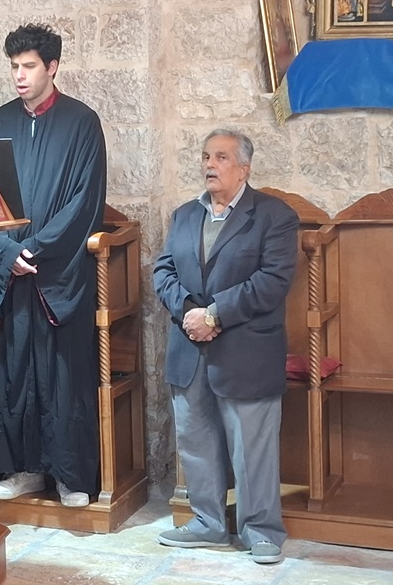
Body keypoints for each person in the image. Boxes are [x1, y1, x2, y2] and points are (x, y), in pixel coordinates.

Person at [153, 129, 299, 566]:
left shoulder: (274, 216)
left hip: (246, 353)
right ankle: (207, 523)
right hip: (189, 350)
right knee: (196, 442)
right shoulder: (184, 215)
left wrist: (215, 315)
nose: (209, 165)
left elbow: (272, 280)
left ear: (244, 168)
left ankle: (261, 531)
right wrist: (190, 314)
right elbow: (163, 271)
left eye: (220, 157)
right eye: (205, 157)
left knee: (251, 450)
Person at [0, 24, 107, 508]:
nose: (19, 75)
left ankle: (70, 477)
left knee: (62, 376)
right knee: (13, 375)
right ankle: (23, 471)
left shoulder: (81, 122)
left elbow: (83, 202)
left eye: (28, 66)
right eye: (14, 66)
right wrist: (4, 252)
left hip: (57, 272)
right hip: (10, 270)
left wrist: (34, 250)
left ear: (51, 67)